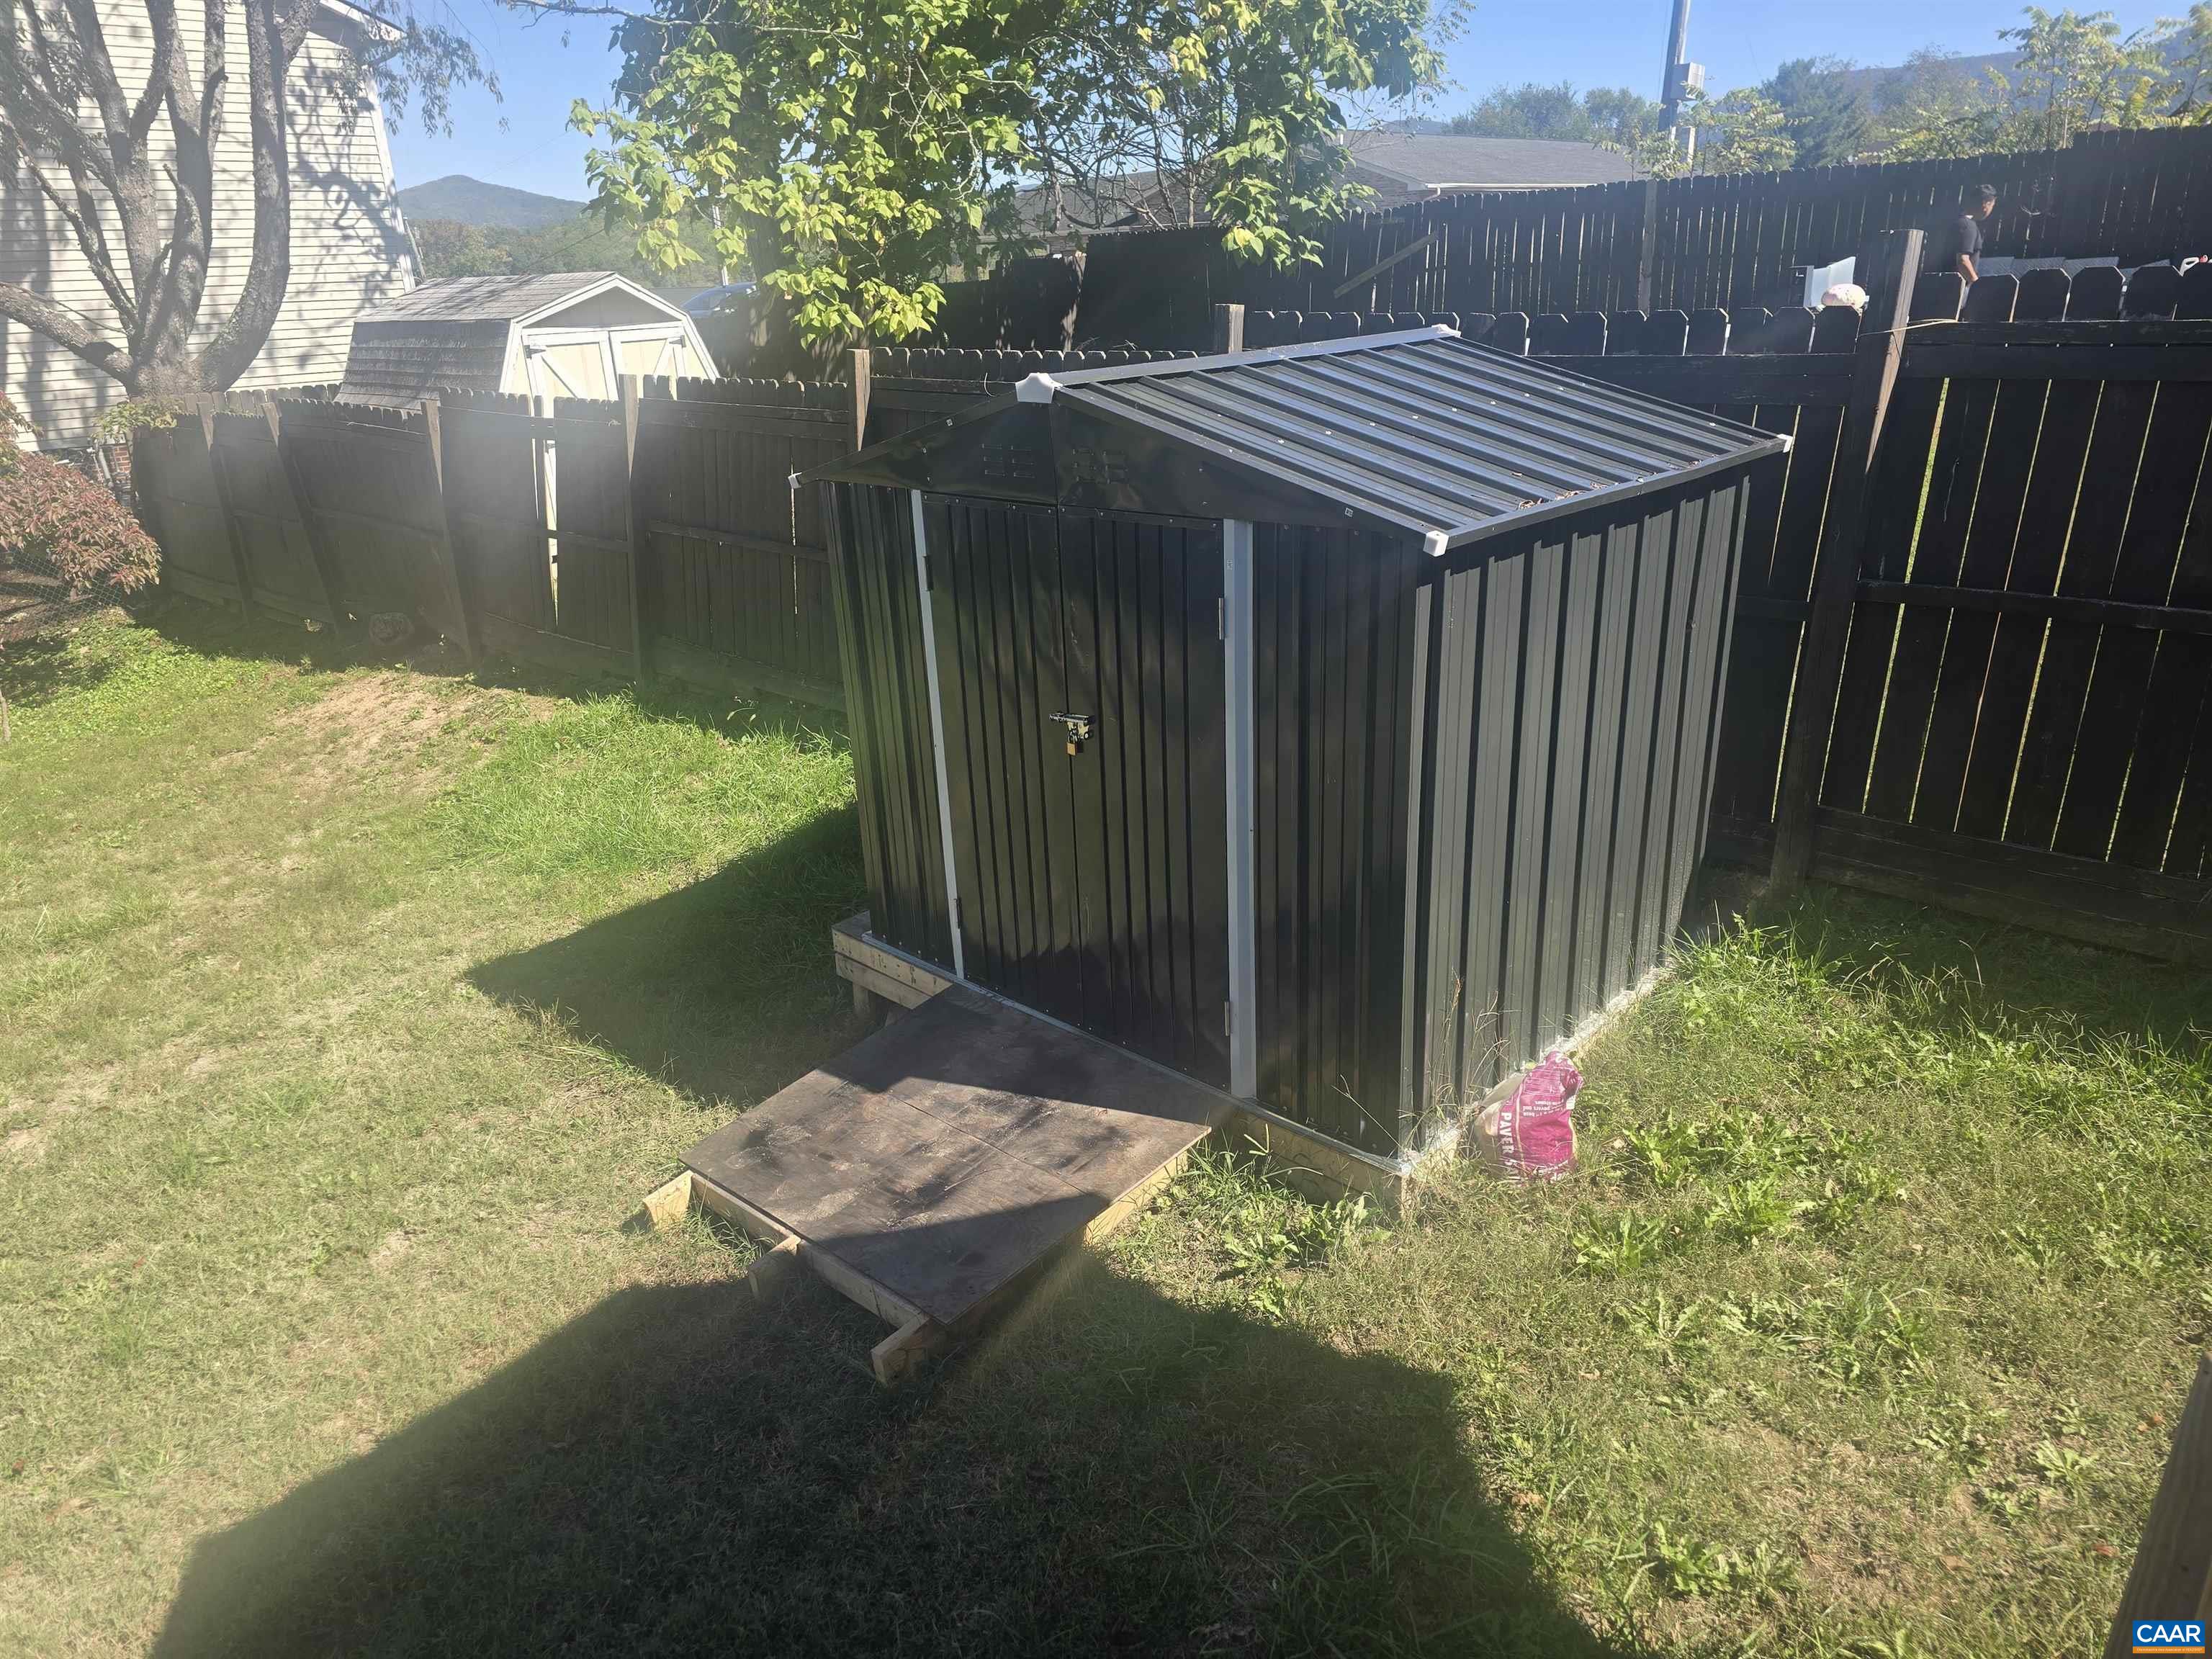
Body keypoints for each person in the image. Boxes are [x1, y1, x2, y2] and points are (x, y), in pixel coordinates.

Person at [1952, 184, 1997, 284]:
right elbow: (1963, 261)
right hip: (1956, 289)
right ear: (1986, 204)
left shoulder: (1958, 221)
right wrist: (1977, 286)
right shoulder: (1968, 226)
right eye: (1992, 206)